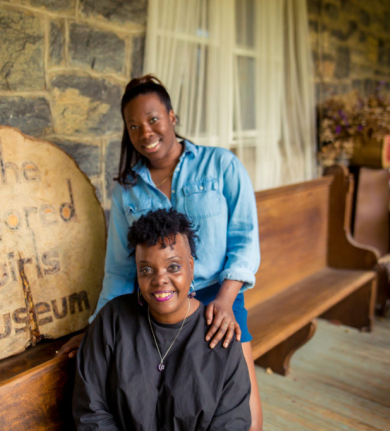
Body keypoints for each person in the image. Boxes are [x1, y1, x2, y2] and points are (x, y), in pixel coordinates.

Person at [59, 75, 262, 429]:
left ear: (172, 116)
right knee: (167, 395)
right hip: (156, 304)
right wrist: (96, 329)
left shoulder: (220, 165)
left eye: (153, 119)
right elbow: (120, 269)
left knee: (240, 399)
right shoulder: (128, 190)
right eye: (134, 126)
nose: (145, 132)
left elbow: (245, 238)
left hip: (218, 298)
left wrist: (226, 300)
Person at [73, 209, 251, 430]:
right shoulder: (112, 321)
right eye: (146, 269)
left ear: (191, 266)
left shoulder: (220, 335)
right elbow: (91, 409)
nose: (160, 280)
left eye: (173, 267)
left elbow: (231, 423)